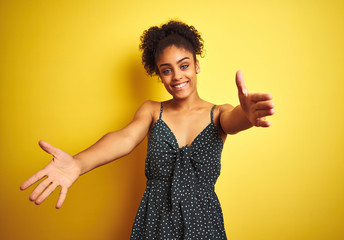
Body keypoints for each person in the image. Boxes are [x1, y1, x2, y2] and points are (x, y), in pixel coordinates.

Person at [20, 20, 275, 239]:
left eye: (183, 65)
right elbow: (125, 138)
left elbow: (234, 120)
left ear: (197, 65)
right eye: (167, 70)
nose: (176, 76)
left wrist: (247, 115)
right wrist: (77, 163)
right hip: (155, 221)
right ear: (159, 75)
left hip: (204, 223)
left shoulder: (219, 113)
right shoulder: (153, 111)